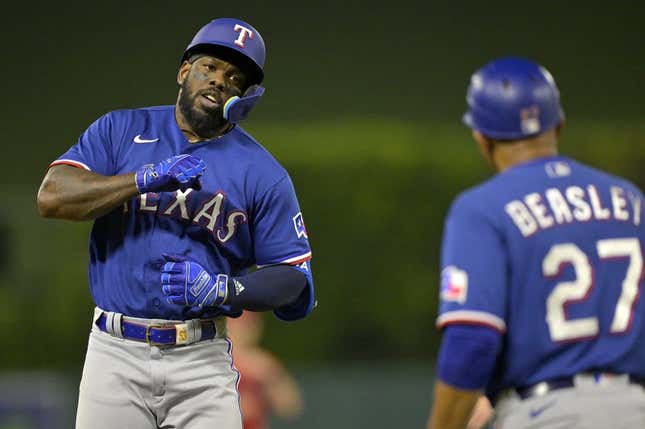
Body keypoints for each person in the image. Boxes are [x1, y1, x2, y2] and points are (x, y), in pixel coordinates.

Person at [36, 17, 315, 429]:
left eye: (234, 77)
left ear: (245, 97)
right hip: (115, 353)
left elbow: (295, 278)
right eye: (210, 67)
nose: (220, 80)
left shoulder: (263, 172)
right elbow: (53, 196)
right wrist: (139, 179)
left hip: (201, 359)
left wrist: (223, 289)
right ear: (185, 71)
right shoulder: (121, 130)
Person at [427, 57, 645, 429]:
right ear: (558, 125)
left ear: (482, 137)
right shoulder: (630, 200)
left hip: (548, 414)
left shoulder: (481, 208)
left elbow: (472, 340)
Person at [228, 311, 303, 429]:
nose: (241, 332)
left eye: (246, 326)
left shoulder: (262, 365)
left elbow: (290, 405)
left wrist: (267, 390)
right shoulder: (213, 362)